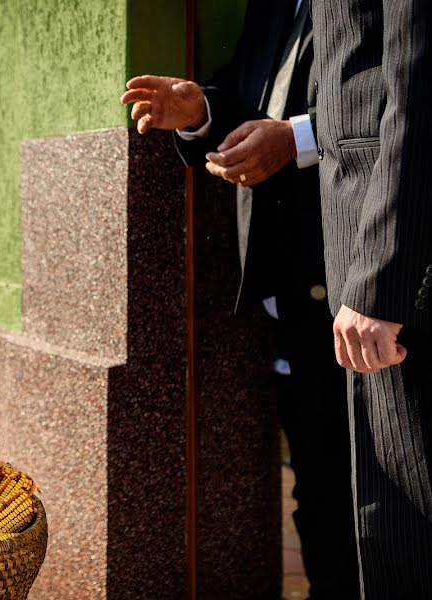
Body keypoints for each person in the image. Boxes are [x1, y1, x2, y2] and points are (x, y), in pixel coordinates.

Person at [121, 1, 359, 596]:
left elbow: (390, 102)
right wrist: (199, 110)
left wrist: (296, 138)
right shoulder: (273, 5)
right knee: (318, 483)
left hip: (365, 281)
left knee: (380, 493)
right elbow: (249, 100)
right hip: (293, 295)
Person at [312, 1, 432, 597]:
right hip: (370, 258)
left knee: (411, 532)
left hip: (402, 276)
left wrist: (381, 278)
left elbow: (420, 79)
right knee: (386, 527)